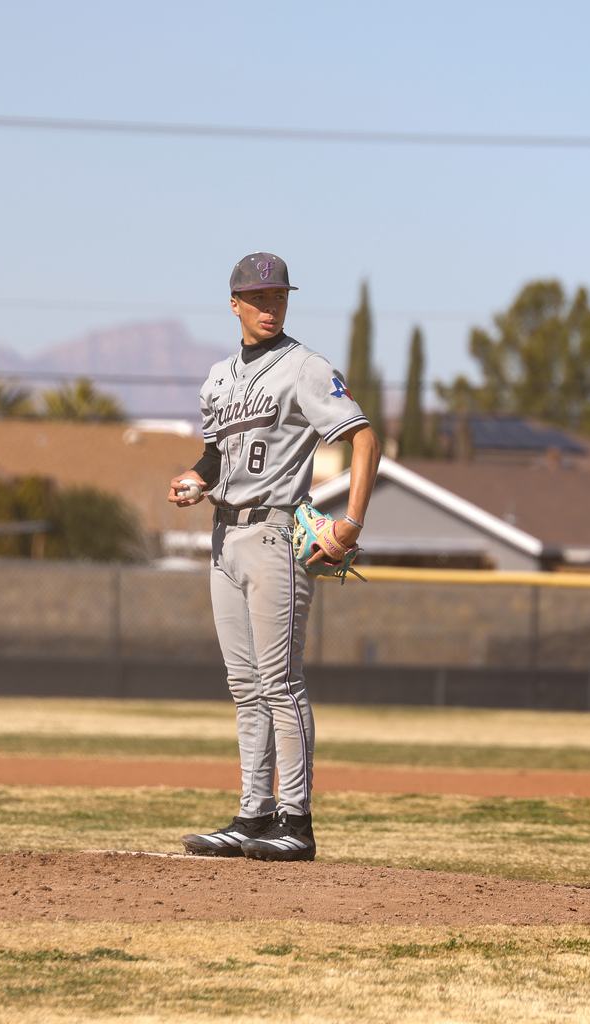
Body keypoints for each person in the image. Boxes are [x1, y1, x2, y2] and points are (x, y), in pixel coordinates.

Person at [168, 252, 381, 861]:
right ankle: (253, 815)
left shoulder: (305, 368)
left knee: (280, 682)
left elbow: (364, 438)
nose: (270, 306)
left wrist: (351, 522)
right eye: (259, 297)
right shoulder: (218, 378)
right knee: (245, 686)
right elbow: (216, 454)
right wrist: (197, 477)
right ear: (234, 303)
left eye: (279, 296)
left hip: (274, 534)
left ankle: (296, 820)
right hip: (224, 537)